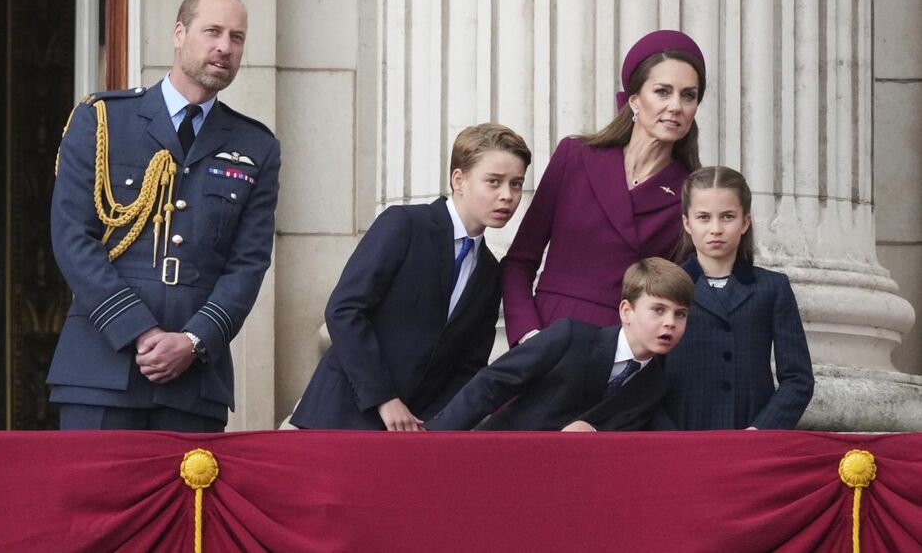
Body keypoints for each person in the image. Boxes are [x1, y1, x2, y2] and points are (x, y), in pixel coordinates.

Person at [48, 0, 281, 431]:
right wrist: (141, 331)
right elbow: (73, 238)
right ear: (179, 33)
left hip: (194, 383)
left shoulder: (256, 146)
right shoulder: (102, 119)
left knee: (188, 505)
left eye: (236, 37)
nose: (224, 47)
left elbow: (248, 264)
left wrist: (193, 341)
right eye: (212, 31)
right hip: (100, 369)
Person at [290, 123, 531, 431]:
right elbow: (344, 311)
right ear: (459, 179)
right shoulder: (404, 225)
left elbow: (468, 366)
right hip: (341, 415)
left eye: (516, 184)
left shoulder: (490, 271)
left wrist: (434, 425)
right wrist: (384, 398)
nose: (507, 196)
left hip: (414, 433)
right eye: (494, 182)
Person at [501, 30, 706, 348]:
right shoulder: (575, 157)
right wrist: (529, 337)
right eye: (663, 91)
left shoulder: (691, 194)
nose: (676, 106)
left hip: (622, 351)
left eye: (688, 95)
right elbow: (519, 261)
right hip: (548, 337)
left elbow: (682, 296)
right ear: (635, 99)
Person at [424, 257, 694, 431]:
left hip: (566, 490)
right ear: (626, 311)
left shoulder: (654, 385)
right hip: (501, 458)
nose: (670, 322)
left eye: (680, 314)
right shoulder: (571, 336)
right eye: (658, 310)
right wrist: (435, 440)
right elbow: (494, 382)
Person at [654, 166, 814, 430]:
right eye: (704, 217)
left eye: (727, 217)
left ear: (745, 222)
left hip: (750, 437)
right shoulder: (664, 287)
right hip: (680, 439)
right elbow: (645, 376)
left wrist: (760, 431)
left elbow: (798, 378)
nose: (716, 229)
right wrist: (669, 436)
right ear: (687, 223)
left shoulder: (773, 288)